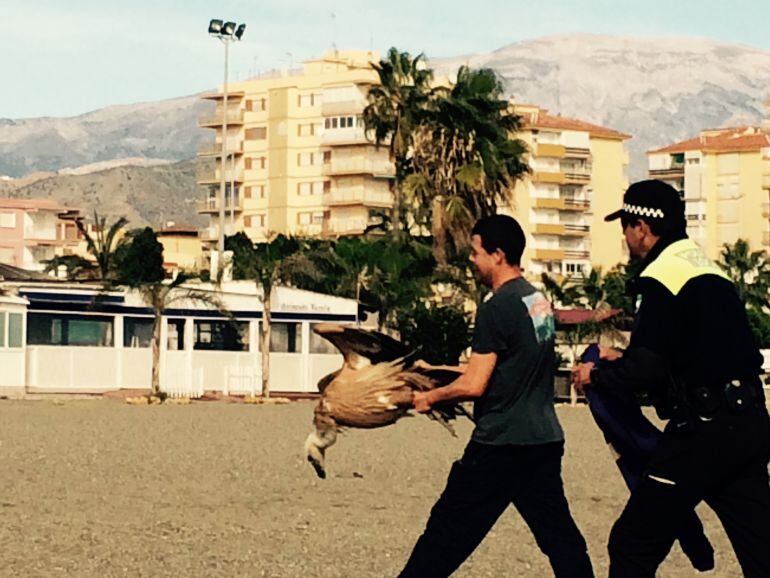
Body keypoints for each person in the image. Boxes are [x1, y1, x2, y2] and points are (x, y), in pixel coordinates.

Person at [572, 179, 770, 577]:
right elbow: (696, 351)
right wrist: (624, 358)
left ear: (642, 229)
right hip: (748, 424)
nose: (626, 238)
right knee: (761, 549)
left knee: (633, 544)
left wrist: (599, 374)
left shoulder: (660, 277)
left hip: (701, 433)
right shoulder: (709, 271)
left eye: (625, 227)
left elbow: (647, 370)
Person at [398, 214, 594, 578]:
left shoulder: (496, 306)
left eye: (476, 252)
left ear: (498, 254)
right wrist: (438, 369)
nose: (472, 260)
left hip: (501, 443)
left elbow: (475, 385)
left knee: (445, 533)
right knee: (560, 538)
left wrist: (430, 398)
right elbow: (510, 365)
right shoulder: (537, 302)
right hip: (543, 439)